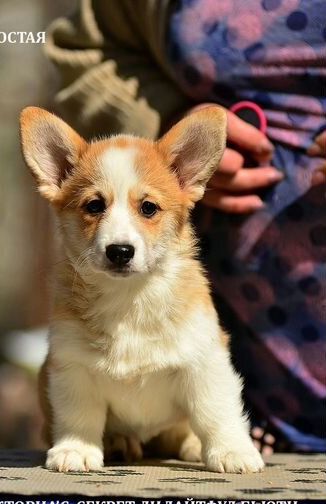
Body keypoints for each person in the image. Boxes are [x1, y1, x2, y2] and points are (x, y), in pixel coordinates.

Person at [42, 0, 325, 453]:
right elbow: (84, 47)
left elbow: (203, 364)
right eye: (95, 206)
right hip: (256, 341)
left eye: (148, 209)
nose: (120, 235)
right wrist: (166, 129)